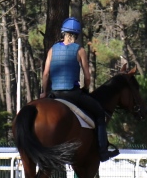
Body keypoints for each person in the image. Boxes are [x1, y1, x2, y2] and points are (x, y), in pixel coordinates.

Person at [40, 17, 119, 162]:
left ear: (63, 33)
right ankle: (103, 152)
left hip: (54, 93)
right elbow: (87, 77)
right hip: (72, 93)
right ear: (76, 34)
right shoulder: (80, 50)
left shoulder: (52, 50)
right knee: (100, 114)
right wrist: (85, 89)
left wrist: (44, 92)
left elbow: (45, 74)